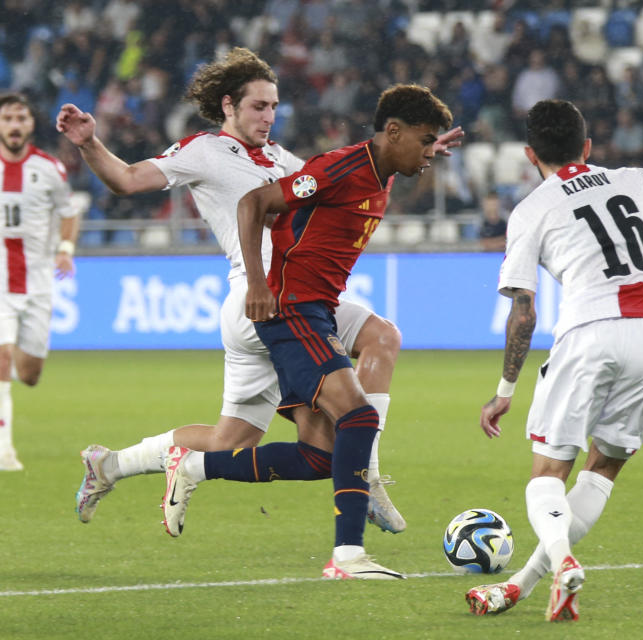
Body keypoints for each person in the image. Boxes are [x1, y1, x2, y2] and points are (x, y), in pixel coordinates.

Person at [58, 48, 462, 531]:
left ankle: (110, 465)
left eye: (273, 107)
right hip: (261, 299)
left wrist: (415, 148)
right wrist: (89, 144)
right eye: (258, 106)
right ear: (228, 105)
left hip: (290, 300)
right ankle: (367, 479)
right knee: (377, 348)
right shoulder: (202, 150)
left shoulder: (280, 159)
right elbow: (126, 180)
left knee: (233, 439)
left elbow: (340, 173)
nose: (268, 116)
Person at [161, 84, 454, 580]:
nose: (430, 153)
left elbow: (402, 156)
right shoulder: (342, 168)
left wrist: (421, 150)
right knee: (358, 419)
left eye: (434, 144)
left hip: (317, 310)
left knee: (320, 456)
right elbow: (255, 203)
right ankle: (347, 556)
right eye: (424, 141)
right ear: (393, 132)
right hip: (290, 308)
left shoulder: (383, 171)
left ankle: (193, 466)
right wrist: (257, 281)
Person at [464, 100, 643, 621]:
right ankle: (520, 585)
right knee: (601, 471)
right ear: (587, 147)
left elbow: (523, 312)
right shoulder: (638, 179)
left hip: (590, 335)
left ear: (531, 154)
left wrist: (505, 391)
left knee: (548, 474)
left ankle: (562, 561)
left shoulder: (533, 208)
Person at [0, 93, 79, 471]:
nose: (14, 125)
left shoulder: (50, 168)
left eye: (21, 118)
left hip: (38, 280)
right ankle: (4, 450)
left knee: (29, 375)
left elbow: (68, 213)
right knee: (1, 358)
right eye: (7, 118)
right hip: (0, 279)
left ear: (31, 124)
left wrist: (65, 248)